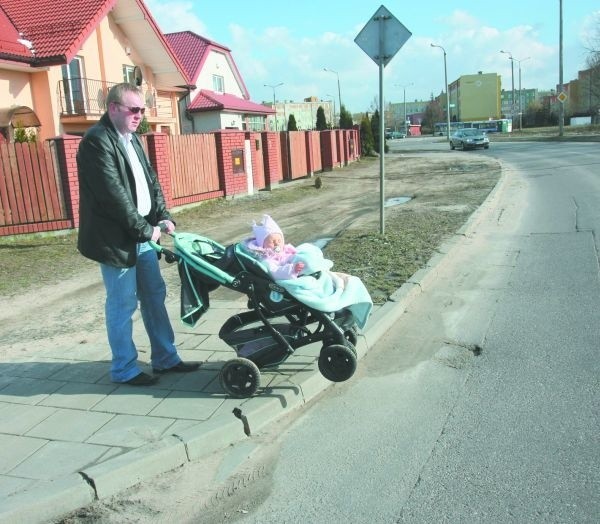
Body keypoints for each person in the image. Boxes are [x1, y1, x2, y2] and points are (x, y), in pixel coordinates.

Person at [76, 82, 199, 386]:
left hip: (144, 234)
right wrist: (146, 231)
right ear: (113, 108)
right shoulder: (96, 142)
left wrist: (162, 216)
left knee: (154, 296)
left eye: (142, 110)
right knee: (122, 304)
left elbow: (150, 182)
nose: (139, 115)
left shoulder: (133, 139)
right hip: (116, 239)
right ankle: (124, 369)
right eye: (134, 109)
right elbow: (113, 196)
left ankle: (166, 358)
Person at [242, 214, 305, 280]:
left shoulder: (287, 250)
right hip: (290, 274)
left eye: (279, 240)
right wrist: (292, 269)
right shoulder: (267, 260)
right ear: (263, 246)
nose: (276, 243)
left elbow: (296, 255)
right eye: (272, 242)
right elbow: (276, 271)